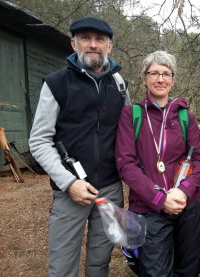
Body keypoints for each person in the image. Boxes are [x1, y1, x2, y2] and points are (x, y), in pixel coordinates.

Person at [29, 16, 130, 277]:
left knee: (99, 264)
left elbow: (132, 133)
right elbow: (39, 141)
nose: (93, 45)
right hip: (69, 191)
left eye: (100, 39)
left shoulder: (120, 86)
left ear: (110, 46)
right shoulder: (55, 84)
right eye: (85, 38)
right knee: (62, 268)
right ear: (74, 44)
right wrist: (68, 182)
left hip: (110, 190)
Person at [115, 50, 200, 276]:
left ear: (173, 80)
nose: (160, 79)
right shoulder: (131, 115)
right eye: (154, 73)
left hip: (187, 205)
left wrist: (184, 191)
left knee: (188, 269)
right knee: (155, 271)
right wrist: (159, 198)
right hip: (149, 207)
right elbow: (125, 164)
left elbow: (199, 158)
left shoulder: (186, 117)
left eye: (166, 74)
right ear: (144, 77)